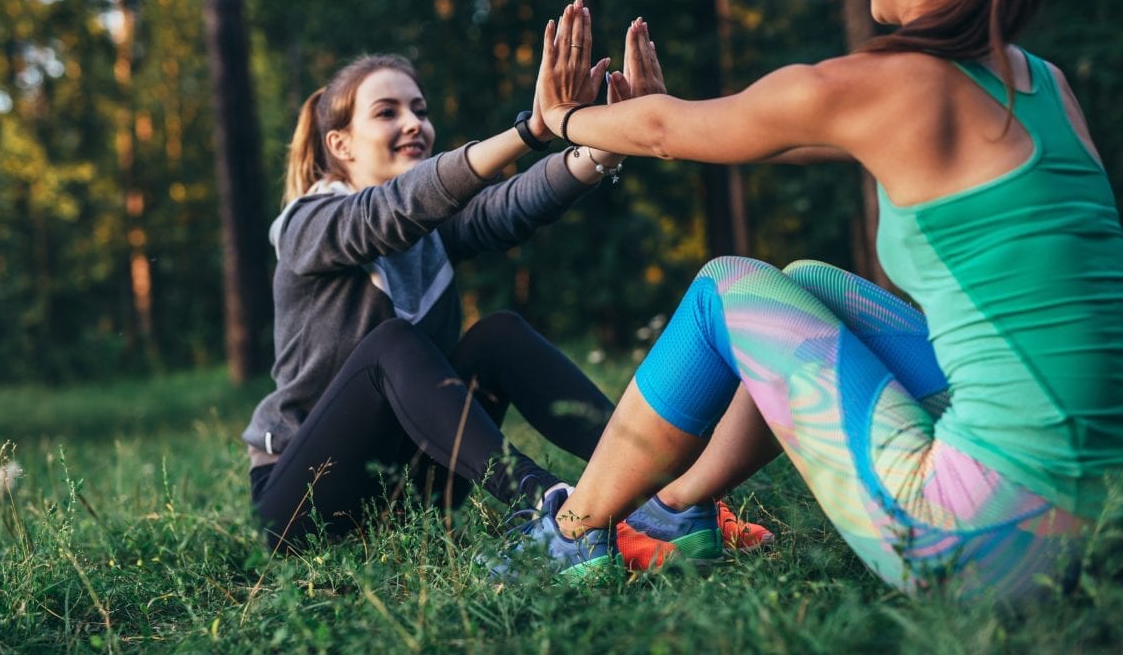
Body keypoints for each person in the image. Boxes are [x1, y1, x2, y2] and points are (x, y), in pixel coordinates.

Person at [514, 0, 1123, 600]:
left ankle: (570, 535)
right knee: (808, 285)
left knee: (723, 289)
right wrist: (678, 122)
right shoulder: (1044, 86)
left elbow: (661, 131)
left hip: (984, 540)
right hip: (1109, 522)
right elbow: (720, 131)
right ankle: (677, 508)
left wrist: (561, 118)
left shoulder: (894, 84)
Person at [240, 42, 771, 561]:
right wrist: (532, 129)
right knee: (391, 345)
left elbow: (508, 204)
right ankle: (553, 509)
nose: (413, 123)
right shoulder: (305, 227)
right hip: (303, 506)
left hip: (407, 494)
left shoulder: (434, 234)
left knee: (498, 334)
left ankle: (665, 489)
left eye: (420, 111)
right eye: (387, 112)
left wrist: (609, 143)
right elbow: (391, 212)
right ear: (341, 145)